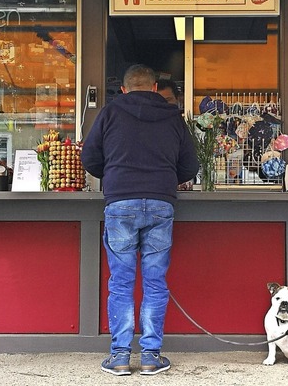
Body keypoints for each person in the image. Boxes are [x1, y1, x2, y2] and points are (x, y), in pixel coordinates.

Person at [81, 64, 199, 376]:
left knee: (121, 281)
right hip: (161, 202)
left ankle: (119, 356)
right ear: (154, 87)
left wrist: (117, 174)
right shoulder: (173, 116)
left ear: (123, 89)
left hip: (120, 202)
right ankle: (150, 356)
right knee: (155, 281)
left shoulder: (109, 113)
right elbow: (190, 166)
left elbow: (90, 159)